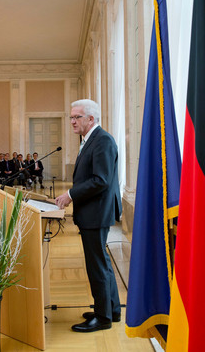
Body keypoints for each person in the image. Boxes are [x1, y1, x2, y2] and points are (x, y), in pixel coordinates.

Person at [55, 99, 122, 332]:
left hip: (96, 212)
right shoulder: (90, 139)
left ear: (91, 119)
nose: (72, 121)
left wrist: (70, 194)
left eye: (77, 117)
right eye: (71, 117)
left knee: (97, 267)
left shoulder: (102, 140)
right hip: (93, 212)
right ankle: (110, 310)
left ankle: (102, 319)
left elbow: (100, 180)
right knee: (101, 263)